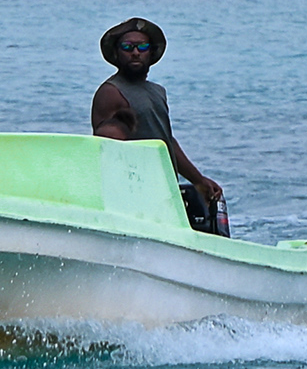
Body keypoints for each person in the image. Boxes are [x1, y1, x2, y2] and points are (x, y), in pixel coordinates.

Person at [91, 17, 222, 233]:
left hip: (163, 184)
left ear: (151, 53)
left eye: (142, 47)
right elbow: (105, 146)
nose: (135, 52)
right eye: (127, 47)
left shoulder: (157, 91)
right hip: (135, 188)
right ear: (117, 53)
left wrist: (198, 180)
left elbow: (165, 140)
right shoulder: (110, 92)